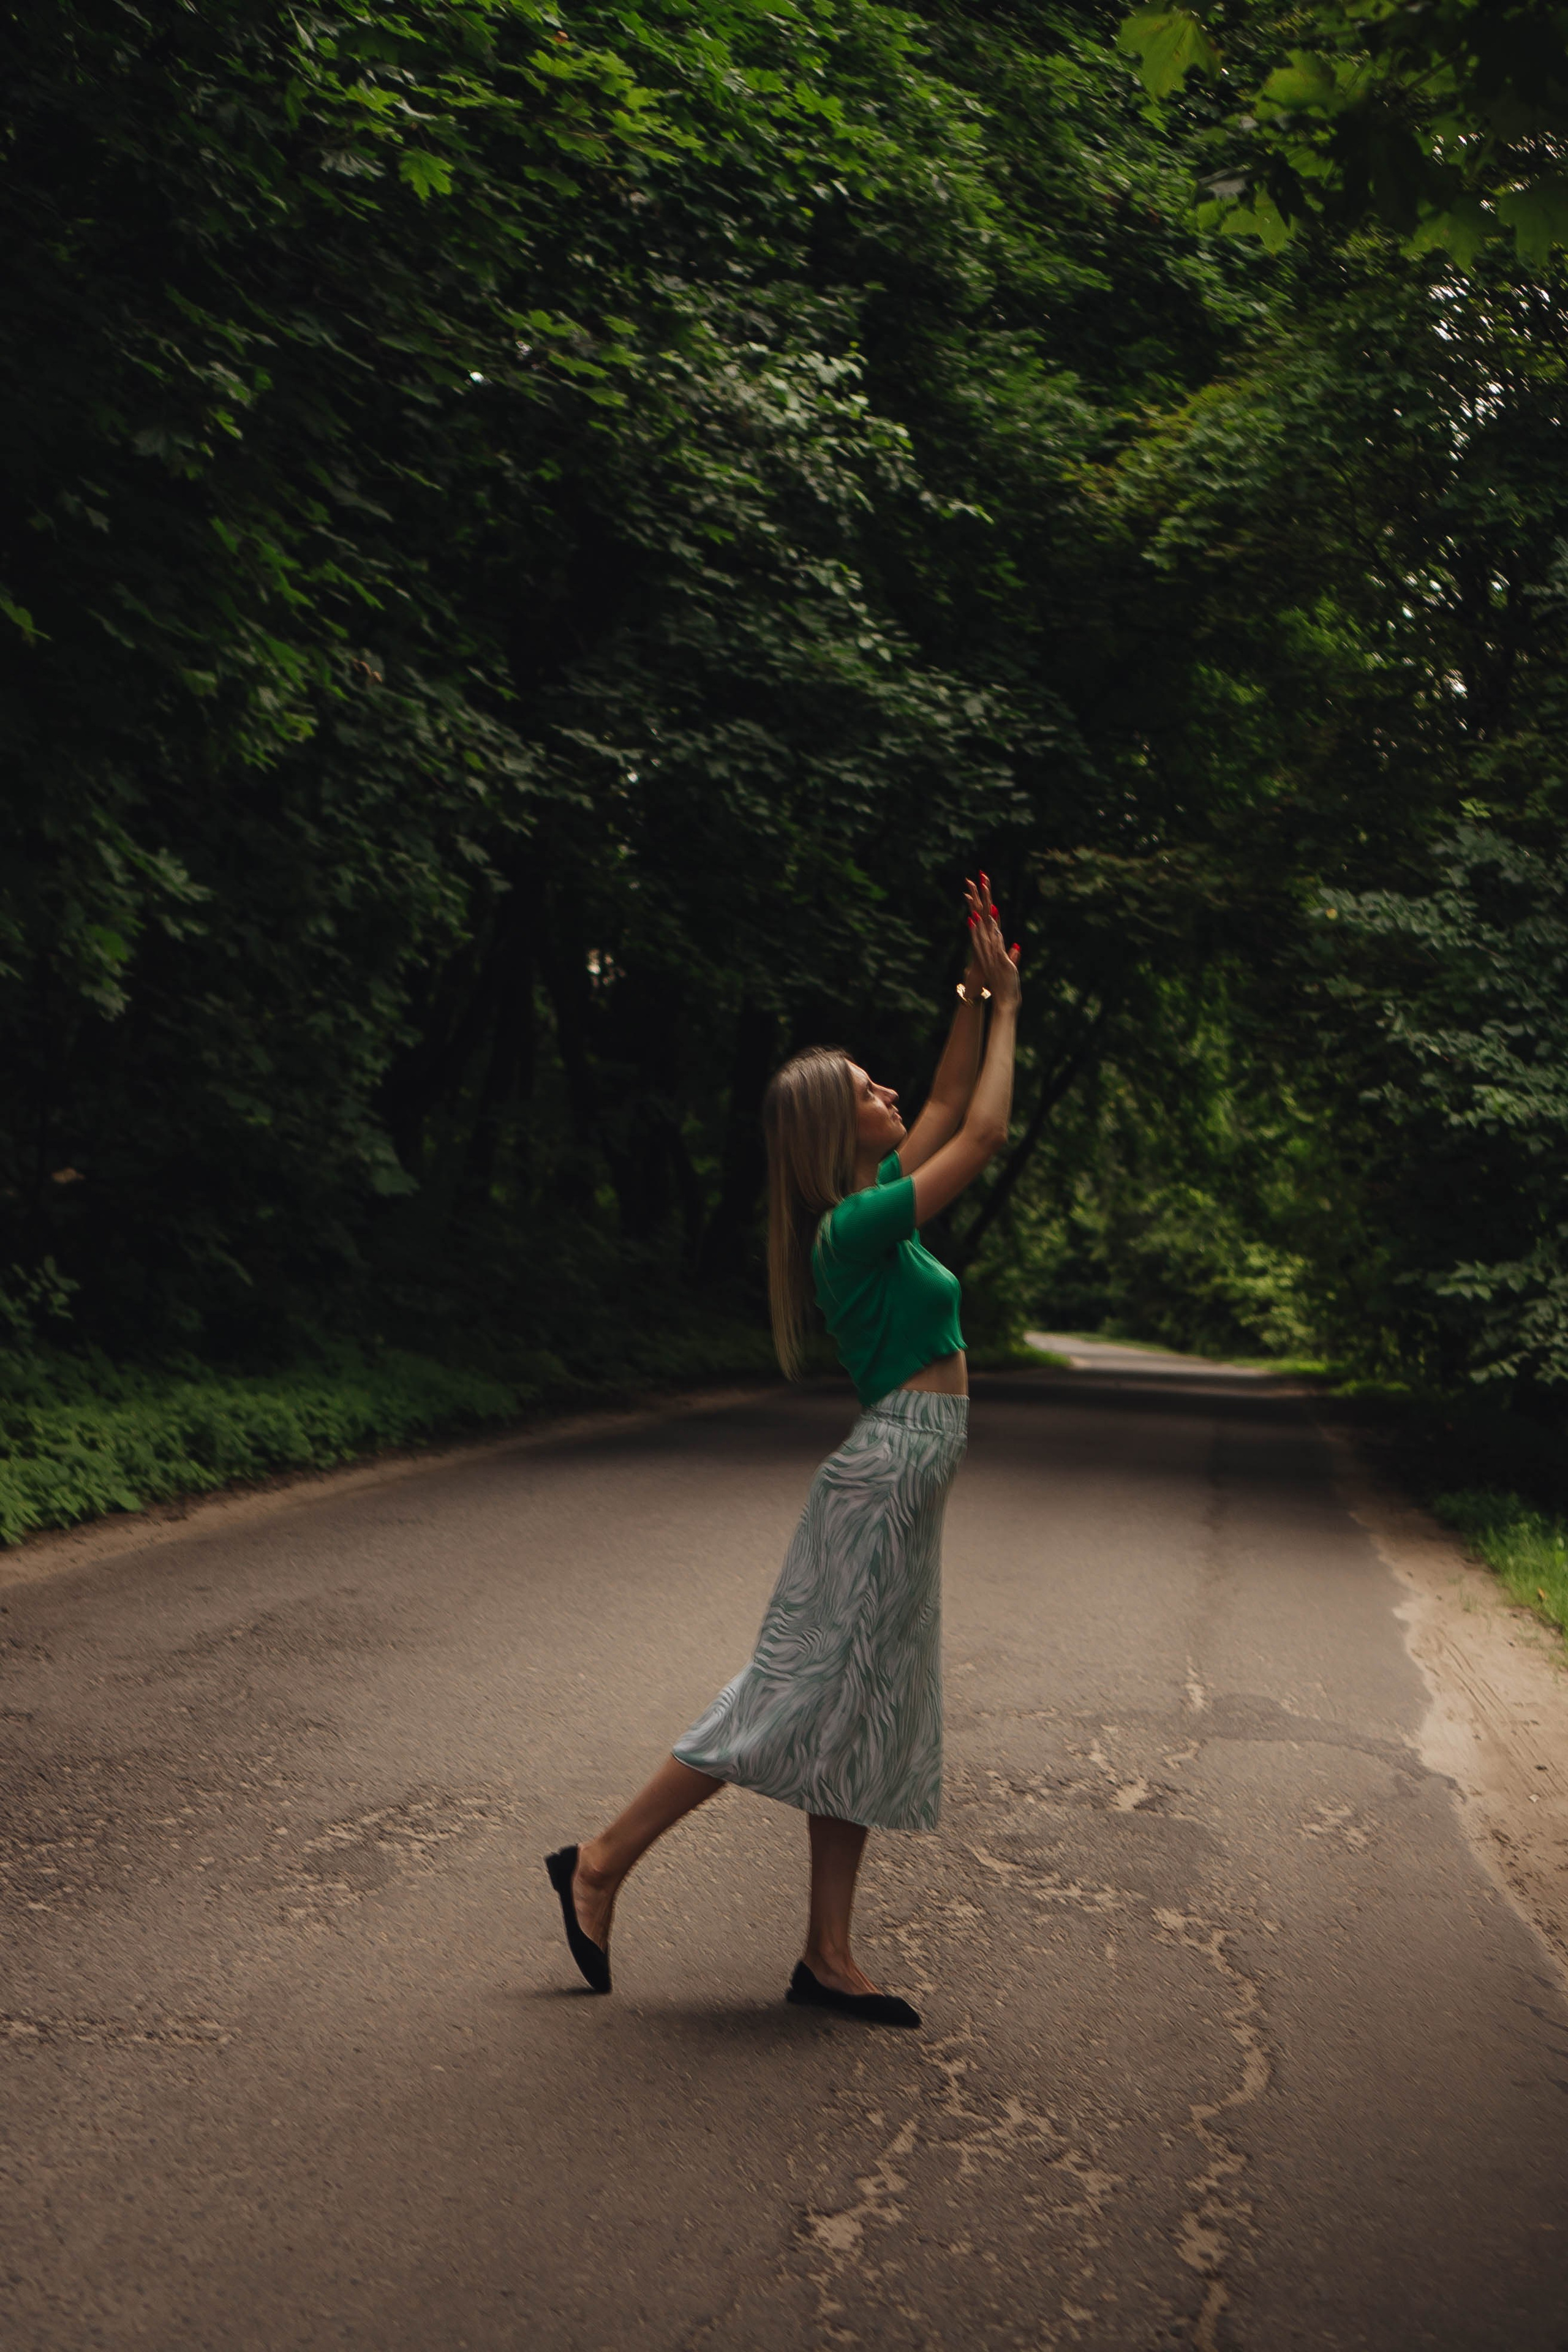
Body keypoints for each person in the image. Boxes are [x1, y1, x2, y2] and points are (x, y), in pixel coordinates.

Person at [546, 874, 1022, 2027]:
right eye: (867, 1089)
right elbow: (985, 1129)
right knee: (789, 1696)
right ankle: (600, 1862)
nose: (890, 1090)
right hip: (884, 1480)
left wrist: (972, 988)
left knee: (861, 1713)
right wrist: (1009, 1007)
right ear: (830, 1129)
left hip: (905, 1480)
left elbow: (948, 1096)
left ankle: (827, 1956)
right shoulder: (853, 1228)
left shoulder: (875, 1199)